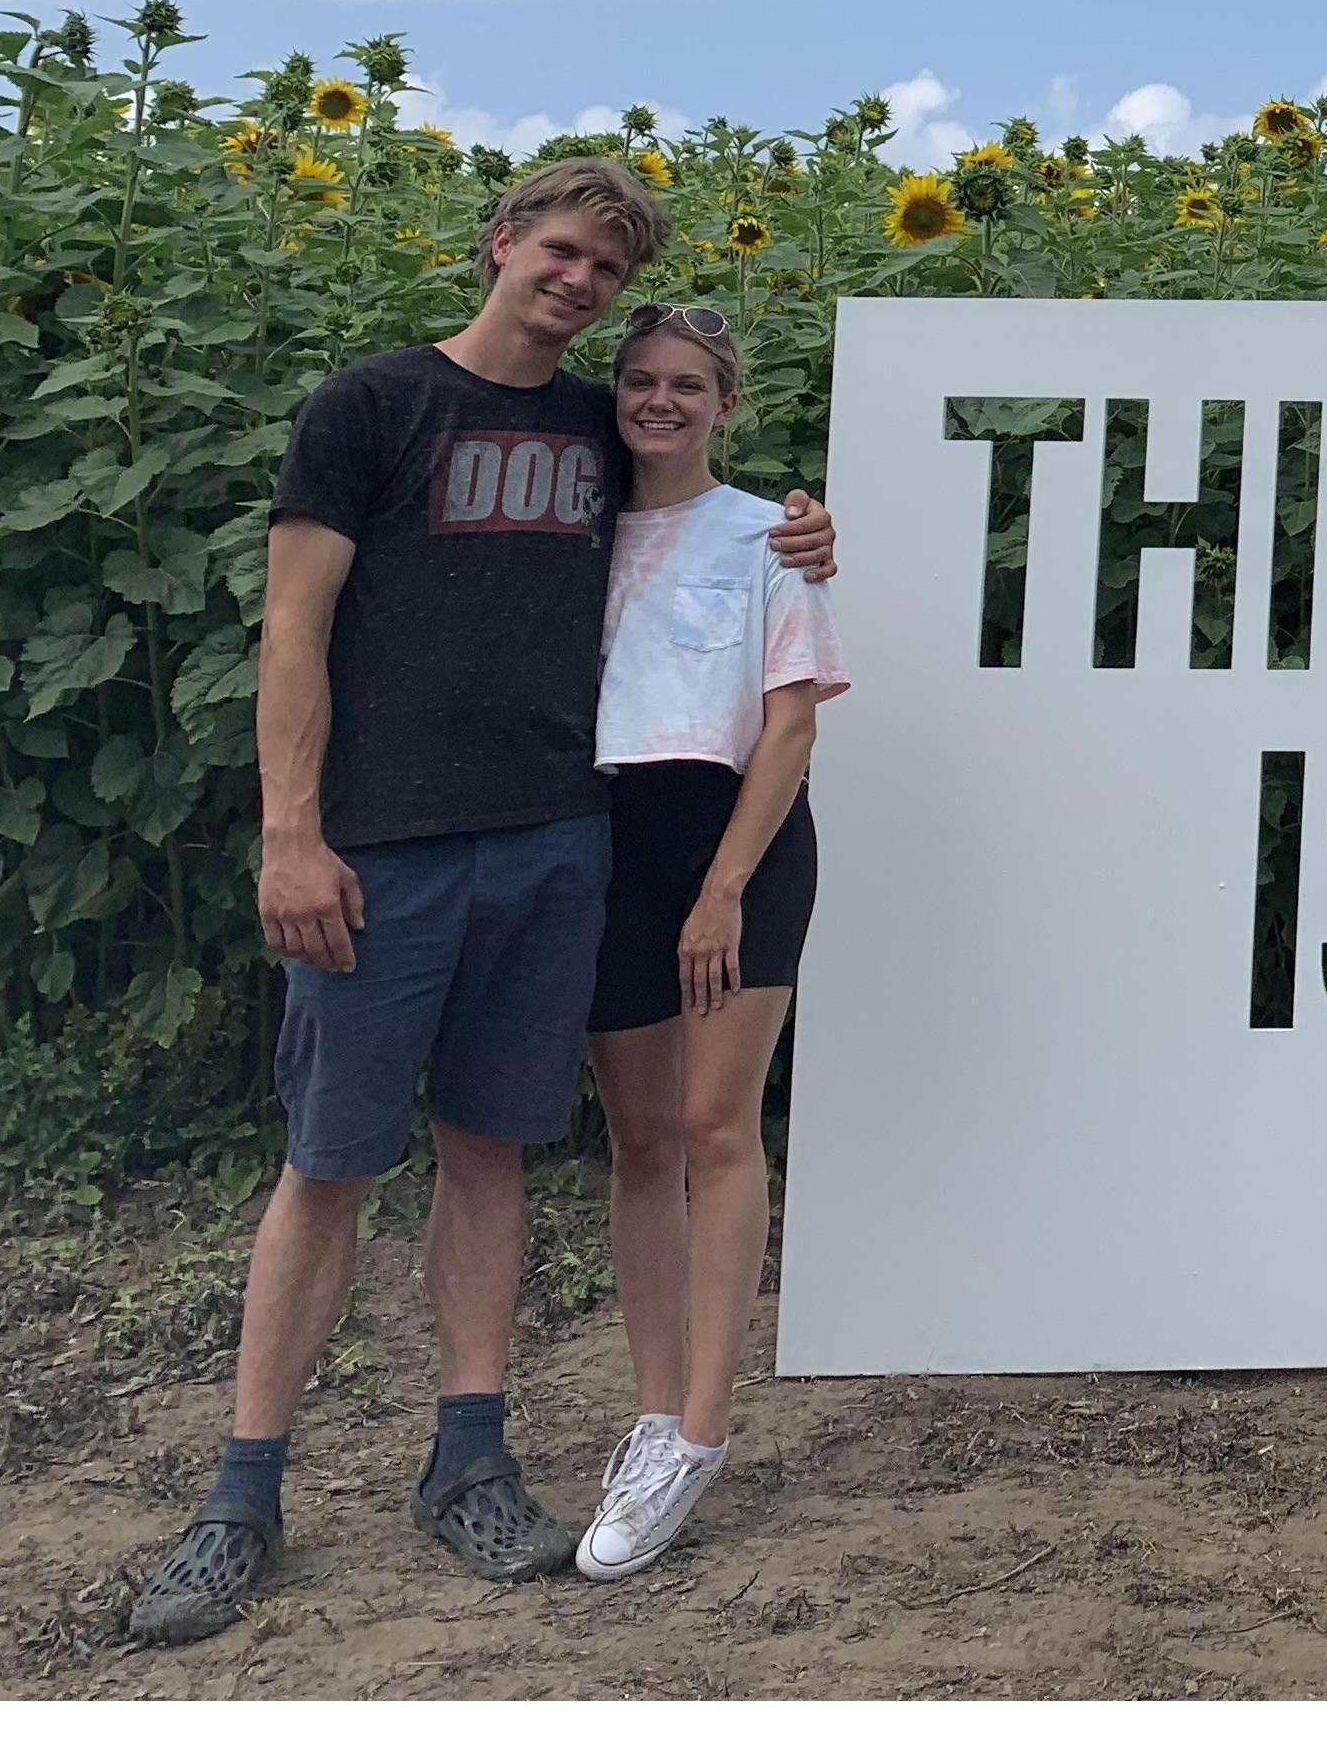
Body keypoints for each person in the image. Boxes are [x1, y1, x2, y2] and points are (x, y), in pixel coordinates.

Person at [124, 158, 835, 1649]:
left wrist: (803, 531)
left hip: (555, 847)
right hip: (377, 853)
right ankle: (242, 1494)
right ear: (502, 245)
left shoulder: (599, 420)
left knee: (492, 1152)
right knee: (326, 1166)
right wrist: (292, 834)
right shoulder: (370, 410)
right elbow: (294, 633)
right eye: (562, 254)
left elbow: (699, 485)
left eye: (606, 274)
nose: (579, 286)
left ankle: (469, 1460)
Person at [571, 301, 846, 1580]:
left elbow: (790, 725)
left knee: (714, 1128)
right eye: (640, 380)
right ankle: (648, 1412)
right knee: (636, 1140)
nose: (661, 401)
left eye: (688, 384)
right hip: (604, 848)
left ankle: (702, 1431)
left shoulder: (770, 537)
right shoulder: (570, 530)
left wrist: (723, 889)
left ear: (725, 404)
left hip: (733, 846)